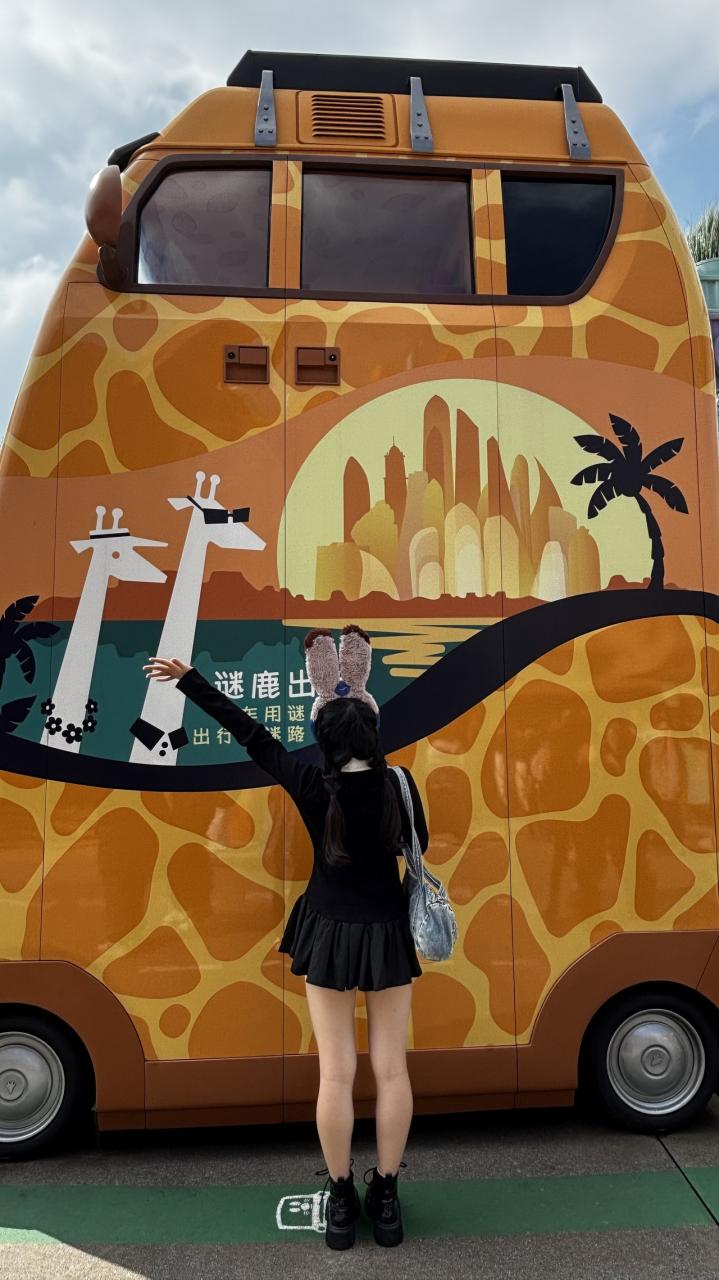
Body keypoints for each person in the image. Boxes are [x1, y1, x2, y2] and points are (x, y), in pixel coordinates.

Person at [143, 623, 429, 1250]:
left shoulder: (311, 784)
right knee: (391, 1071)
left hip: (328, 932)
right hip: (386, 934)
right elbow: (419, 847)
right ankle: (386, 1199)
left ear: (324, 738)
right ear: (373, 732)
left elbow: (251, 734)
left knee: (336, 1075)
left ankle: (340, 1198)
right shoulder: (399, 786)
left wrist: (189, 680)